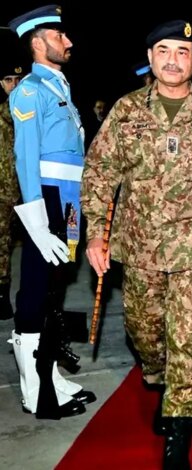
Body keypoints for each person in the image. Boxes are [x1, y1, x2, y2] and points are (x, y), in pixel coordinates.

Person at [81, 20, 192, 468]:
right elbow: (99, 173)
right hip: (140, 247)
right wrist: (95, 233)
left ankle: (179, 431)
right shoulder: (127, 110)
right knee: (145, 333)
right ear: (151, 57)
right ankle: (159, 378)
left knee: (190, 338)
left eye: (183, 52)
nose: (173, 60)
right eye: (164, 51)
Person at [7, 4, 95, 420]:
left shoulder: (60, 87)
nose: (68, 41)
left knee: (56, 288)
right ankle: (35, 391)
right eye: (60, 36)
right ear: (37, 42)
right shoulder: (30, 91)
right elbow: (26, 157)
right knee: (36, 289)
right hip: (47, 199)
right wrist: (36, 219)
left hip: (69, 200)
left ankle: (50, 374)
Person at [0, 59, 24, 320]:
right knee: (2, 244)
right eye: (8, 80)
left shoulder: (28, 110)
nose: (14, 85)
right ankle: (2, 295)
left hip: (26, 189)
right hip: (3, 191)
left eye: (18, 80)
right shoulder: (5, 111)